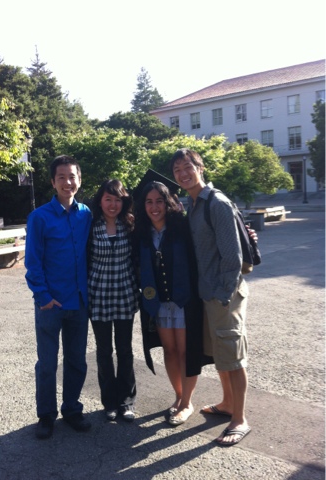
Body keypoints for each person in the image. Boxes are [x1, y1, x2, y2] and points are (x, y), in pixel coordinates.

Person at [170, 148, 251, 446]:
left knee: (233, 355)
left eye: (187, 166)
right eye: (177, 169)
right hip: (208, 293)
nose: (183, 172)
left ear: (200, 167)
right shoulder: (193, 204)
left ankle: (240, 419)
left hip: (222, 294)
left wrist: (221, 296)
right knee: (221, 353)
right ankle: (228, 403)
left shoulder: (216, 203)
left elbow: (232, 258)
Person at [134, 180, 213, 426]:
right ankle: (178, 397)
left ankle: (187, 402)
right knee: (169, 351)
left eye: (159, 200)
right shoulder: (141, 232)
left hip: (184, 299)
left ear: (168, 202)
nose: (154, 206)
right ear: (143, 205)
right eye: (149, 201)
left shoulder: (182, 226)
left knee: (186, 351)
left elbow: (209, 241)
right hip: (158, 302)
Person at [25, 155, 92, 440]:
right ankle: (46, 415)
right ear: (53, 182)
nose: (68, 182)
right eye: (61, 177)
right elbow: (33, 260)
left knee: (77, 359)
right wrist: (42, 296)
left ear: (79, 179)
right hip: (51, 303)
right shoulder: (39, 217)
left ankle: (72, 408)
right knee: (48, 362)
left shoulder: (87, 213)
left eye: (72, 176)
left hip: (79, 301)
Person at [88, 179, 139, 422]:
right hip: (98, 296)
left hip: (124, 295)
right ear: (100, 201)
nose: (113, 204)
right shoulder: (91, 226)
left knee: (125, 350)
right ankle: (109, 401)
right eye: (108, 198)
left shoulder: (129, 225)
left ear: (123, 201)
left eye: (117, 199)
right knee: (104, 351)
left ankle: (126, 402)